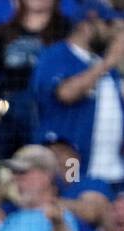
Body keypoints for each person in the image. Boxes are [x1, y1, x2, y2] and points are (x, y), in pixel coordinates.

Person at [30, 0, 124, 191]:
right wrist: (109, 62)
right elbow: (66, 93)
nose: (113, 32)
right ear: (86, 25)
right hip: (73, 166)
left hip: (115, 173)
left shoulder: (105, 66)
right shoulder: (57, 55)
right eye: (107, 24)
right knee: (75, 201)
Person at [0, 0, 71, 161]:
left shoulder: (66, 31)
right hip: (9, 106)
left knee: (47, 160)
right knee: (3, 160)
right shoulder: (6, 31)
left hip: (51, 108)